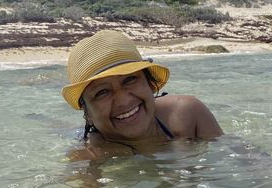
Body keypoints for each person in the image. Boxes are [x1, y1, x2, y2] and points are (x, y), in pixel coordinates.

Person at [61, 30, 223, 159]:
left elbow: (240, 163)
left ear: (150, 84)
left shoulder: (188, 115)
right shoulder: (91, 156)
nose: (123, 101)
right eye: (102, 92)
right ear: (87, 113)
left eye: (129, 80)